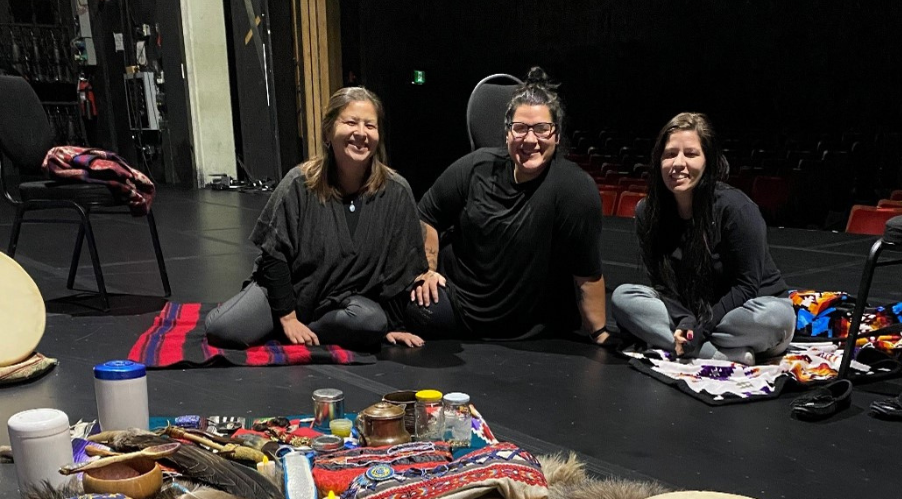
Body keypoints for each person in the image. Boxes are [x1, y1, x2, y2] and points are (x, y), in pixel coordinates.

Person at [205, 87, 427, 350]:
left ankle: (312, 329)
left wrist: (396, 325)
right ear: (328, 132)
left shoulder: (396, 191)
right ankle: (286, 324)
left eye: (370, 125)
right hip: (287, 292)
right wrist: (287, 318)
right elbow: (273, 256)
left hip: (344, 302)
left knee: (371, 322)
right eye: (350, 122)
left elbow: (400, 267)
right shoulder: (299, 183)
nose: (361, 133)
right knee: (223, 329)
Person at [408, 67, 609, 344]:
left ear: (557, 135)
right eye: (520, 128)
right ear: (506, 134)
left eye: (542, 128)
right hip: (458, 305)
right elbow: (427, 214)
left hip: (529, 328)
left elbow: (587, 274)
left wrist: (600, 334)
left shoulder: (576, 191)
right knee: (416, 308)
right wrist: (426, 269)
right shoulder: (475, 166)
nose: (530, 139)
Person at [611, 112, 794, 365]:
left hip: (748, 308)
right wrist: (686, 322)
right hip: (692, 312)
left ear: (708, 160)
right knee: (624, 297)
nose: (678, 163)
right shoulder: (648, 212)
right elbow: (662, 285)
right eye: (670, 154)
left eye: (691, 154)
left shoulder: (736, 208)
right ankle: (719, 354)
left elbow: (746, 286)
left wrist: (701, 330)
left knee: (774, 318)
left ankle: (690, 344)